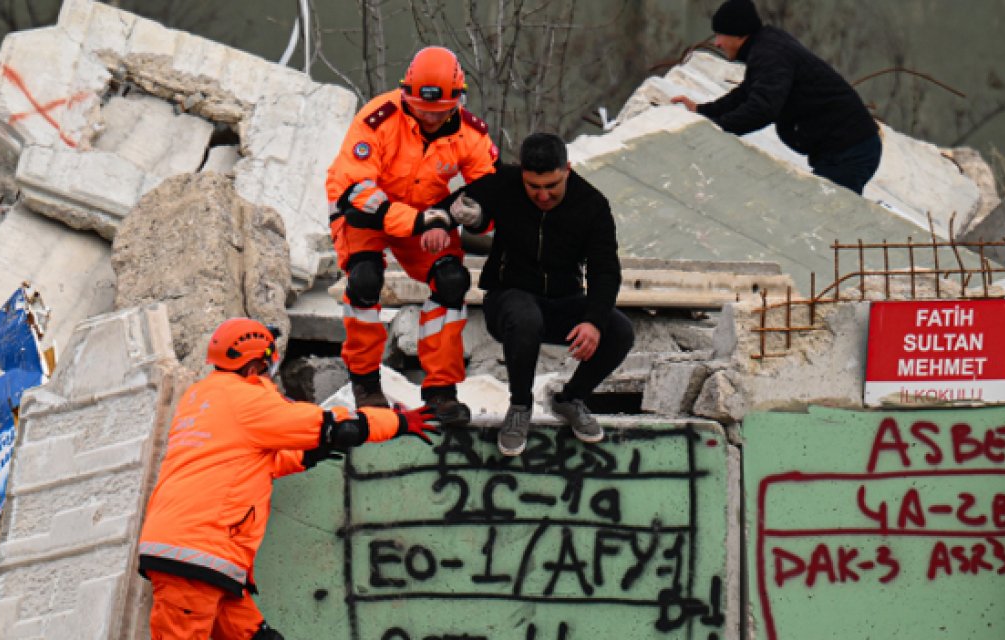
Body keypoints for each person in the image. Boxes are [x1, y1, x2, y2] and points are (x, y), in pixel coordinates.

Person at [137, 318, 439, 639]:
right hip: (198, 555)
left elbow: (259, 461)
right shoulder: (248, 401)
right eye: (267, 363)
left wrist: (312, 453)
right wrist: (397, 422)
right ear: (255, 364)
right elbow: (332, 425)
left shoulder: (201, 398)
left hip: (199, 553)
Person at [417, 133, 635, 457]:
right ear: (523, 175)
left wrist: (593, 321)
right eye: (534, 187)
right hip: (508, 298)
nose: (543, 196)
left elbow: (606, 271)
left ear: (567, 170)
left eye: (552, 186)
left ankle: (570, 400)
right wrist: (438, 224)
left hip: (563, 301)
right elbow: (450, 206)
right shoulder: (504, 183)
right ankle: (520, 406)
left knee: (619, 330)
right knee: (525, 316)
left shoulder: (592, 205)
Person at [326, 46, 499, 428]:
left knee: (452, 280)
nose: (429, 117)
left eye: (438, 112)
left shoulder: (470, 134)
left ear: (457, 101)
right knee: (364, 279)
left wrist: (474, 215)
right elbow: (355, 191)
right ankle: (366, 381)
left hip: (425, 218)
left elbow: (490, 185)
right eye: (421, 108)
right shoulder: (378, 119)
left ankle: (441, 390)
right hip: (369, 215)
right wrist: (424, 222)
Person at [670, 0, 882, 194]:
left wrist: (717, 128)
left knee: (822, 215)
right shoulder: (766, 46)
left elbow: (763, 107)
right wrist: (702, 112)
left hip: (851, 151)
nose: (716, 43)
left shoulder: (770, 54)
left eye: (720, 35)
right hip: (847, 149)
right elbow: (746, 94)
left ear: (738, 34)